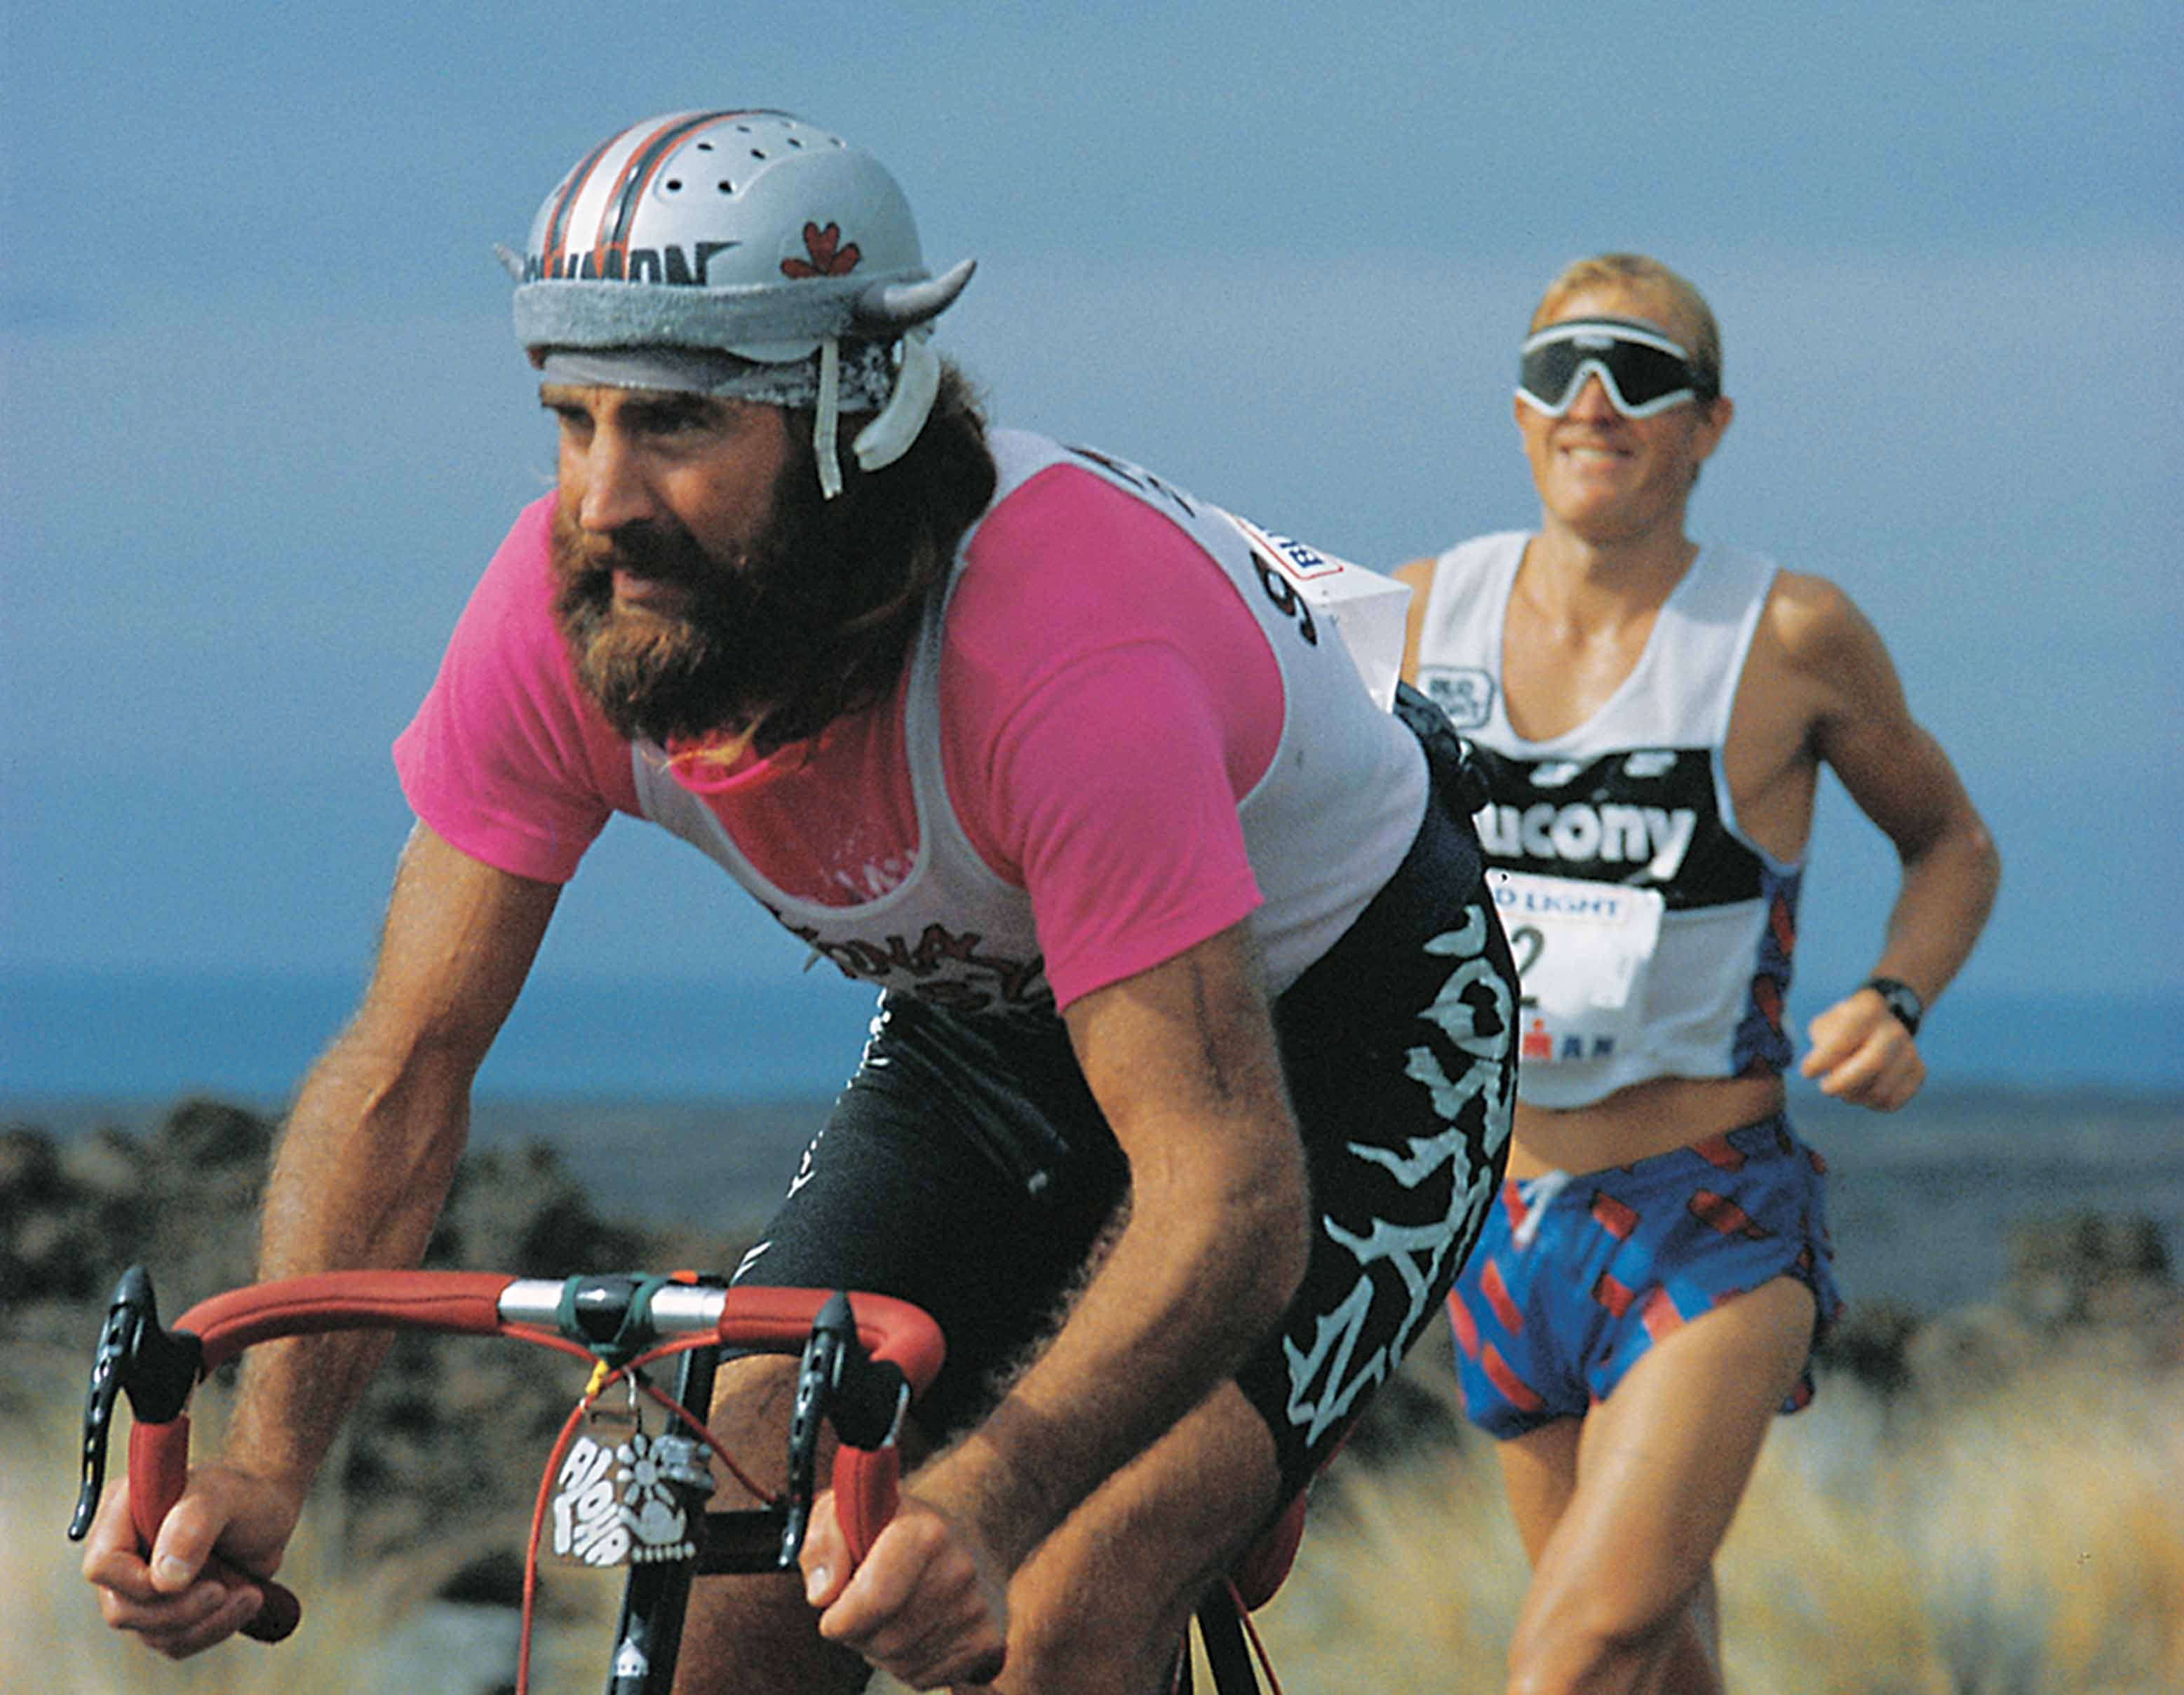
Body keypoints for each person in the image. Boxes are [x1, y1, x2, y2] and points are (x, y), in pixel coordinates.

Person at [82, 108, 1518, 1694]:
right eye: (574, 420)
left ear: (854, 414)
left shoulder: (1057, 650)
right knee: (729, 1596)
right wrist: (272, 1463)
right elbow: (407, 1066)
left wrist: (984, 1496)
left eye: (679, 426)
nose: (603, 502)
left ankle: (1212, 1495)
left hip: (1338, 1037)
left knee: (1064, 1600)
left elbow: (1228, 1193)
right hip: (993, 1036)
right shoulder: (570, 616)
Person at [1395, 252, 2000, 1694]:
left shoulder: (1787, 635)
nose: (1594, 402)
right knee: (1660, 1662)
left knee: (1574, 1653)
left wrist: (1896, 996)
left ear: (1710, 422)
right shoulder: (1417, 618)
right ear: (1520, 408)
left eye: (1641, 373)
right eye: (1560, 370)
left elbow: (1951, 844)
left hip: (1707, 1216)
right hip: (1496, 1222)